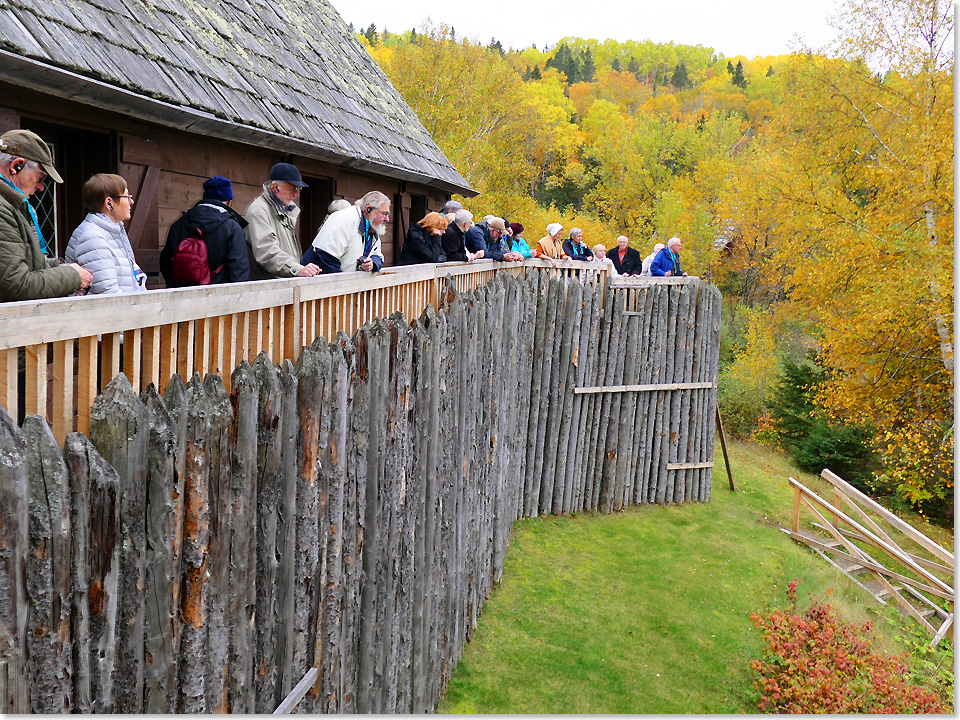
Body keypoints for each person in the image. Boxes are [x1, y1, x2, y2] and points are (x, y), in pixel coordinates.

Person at [0, 129, 91, 301]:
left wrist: (58, 266)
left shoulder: (11, 206)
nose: (41, 187)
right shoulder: (3, 208)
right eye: (40, 178)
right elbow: (15, 285)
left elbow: (21, 264)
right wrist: (72, 276)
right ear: (15, 166)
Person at [159, 175, 250, 286]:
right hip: (217, 298)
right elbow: (239, 272)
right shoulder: (232, 228)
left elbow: (165, 261)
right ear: (229, 202)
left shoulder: (179, 224)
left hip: (182, 298)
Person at [65, 173, 147, 294]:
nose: (132, 201)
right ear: (109, 203)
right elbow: (107, 292)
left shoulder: (114, 230)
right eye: (127, 196)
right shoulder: (92, 237)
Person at [245, 162, 319, 280]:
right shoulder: (259, 211)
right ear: (275, 187)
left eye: (298, 190)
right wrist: (297, 269)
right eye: (293, 189)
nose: (296, 195)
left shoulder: (286, 210)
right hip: (268, 288)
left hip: (282, 285)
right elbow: (268, 253)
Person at [305, 190, 387, 273]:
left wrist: (372, 263)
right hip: (314, 280)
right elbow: (326, 256)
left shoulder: (372, 229)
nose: (387, 219)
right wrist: (342, 283)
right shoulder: (344, 219)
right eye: (384, 214)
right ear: (368, 209)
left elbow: (378, 256)